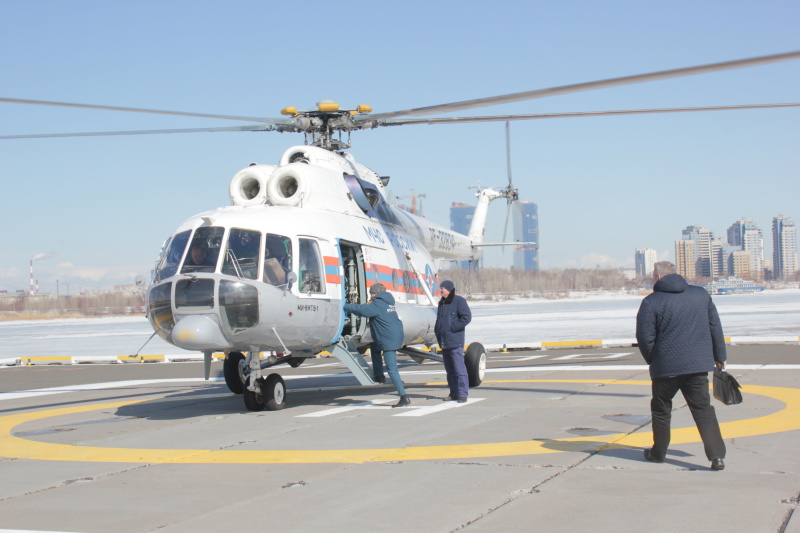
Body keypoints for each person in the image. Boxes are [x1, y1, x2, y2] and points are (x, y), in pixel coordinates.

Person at [636, 261, 728, 471]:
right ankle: (717, 457)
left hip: (665, 368)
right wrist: (720, 356)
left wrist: (654, 359)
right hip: (697, 366)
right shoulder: (700, 295)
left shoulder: (651, 302)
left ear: (658, 277)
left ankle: (658, 453)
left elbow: (644, 337)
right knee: (703, 410)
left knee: (661, 410)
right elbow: (715, 325)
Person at [343, 283, 410, 408]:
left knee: (392, 368)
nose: (370, 296)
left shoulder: (377, 303)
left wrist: (344, 306)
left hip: (388, 339)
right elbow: (380, 315)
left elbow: (362, 310)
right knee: (374, 347)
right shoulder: (387, 302)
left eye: (371, 294)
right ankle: (379, 375)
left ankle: (403, 396)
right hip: (394, 335)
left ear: (375, 294)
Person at [434, 279, 472, 403]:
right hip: (444, 342)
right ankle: (454, 393)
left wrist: (453, 327)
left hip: (455, 341)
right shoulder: (442, 303)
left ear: (448, 289)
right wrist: (438, 331)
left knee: (459, 369)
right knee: (450, 370)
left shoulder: (459, 301)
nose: (440, 290)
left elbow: (466, 317)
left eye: (442, 288)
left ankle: (462, 394)